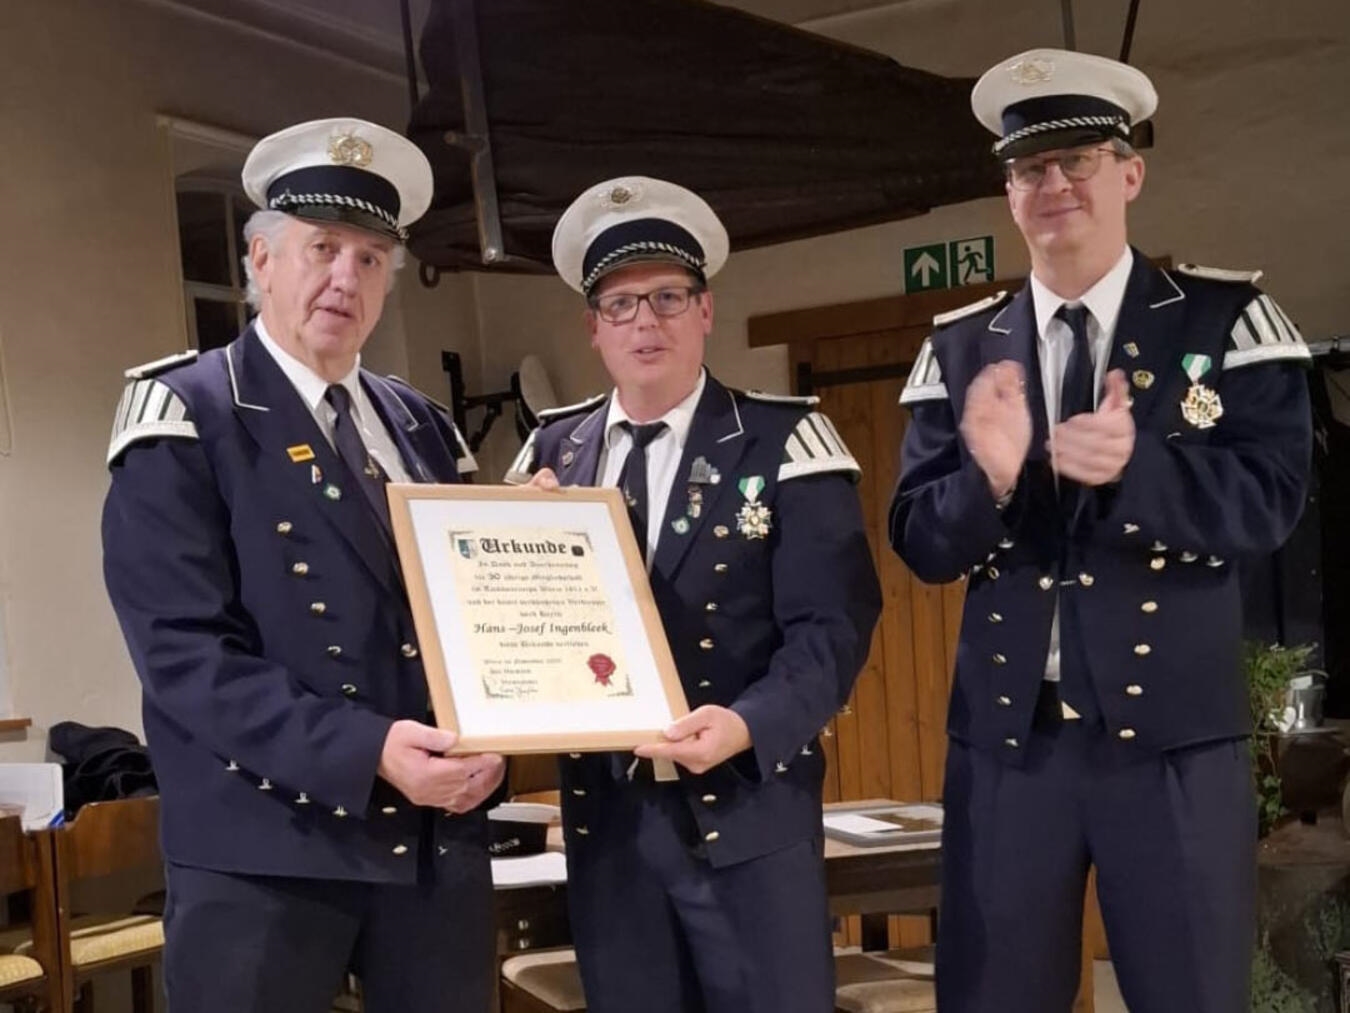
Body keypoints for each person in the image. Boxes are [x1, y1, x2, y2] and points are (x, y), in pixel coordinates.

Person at [889, 49, 1312, 1012]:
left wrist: (1139, 466)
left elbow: (1271, 502)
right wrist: (989, 481)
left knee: (1192, 994)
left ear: (1130, 173)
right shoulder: (960, 350)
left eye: (1080, 159)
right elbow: (919, 539)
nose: (1056, 185)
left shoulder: (1224, 322)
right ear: (1008, 192)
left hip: (1171, 744)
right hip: (1007, 747)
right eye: (1032, 168)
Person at [102, 118, 503, 1013]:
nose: (343, 279)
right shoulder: (186, 413)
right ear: (261, 258)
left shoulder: (422, 429)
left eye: (369, 259)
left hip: (430, 843)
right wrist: (369, 751)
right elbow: (184, 656)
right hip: (265, 853)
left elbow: (468, 623)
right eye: (321, 248)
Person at [505, 176, 882, 1013]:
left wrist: (750, 723)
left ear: (706, 311)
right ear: (592, 327)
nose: (647, 321)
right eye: (622, 303)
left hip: (747, 814)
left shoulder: (786, 439)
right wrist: (510, 544)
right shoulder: (548, 458)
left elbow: (833, 625)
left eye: (669, 297)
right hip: (609, 829)